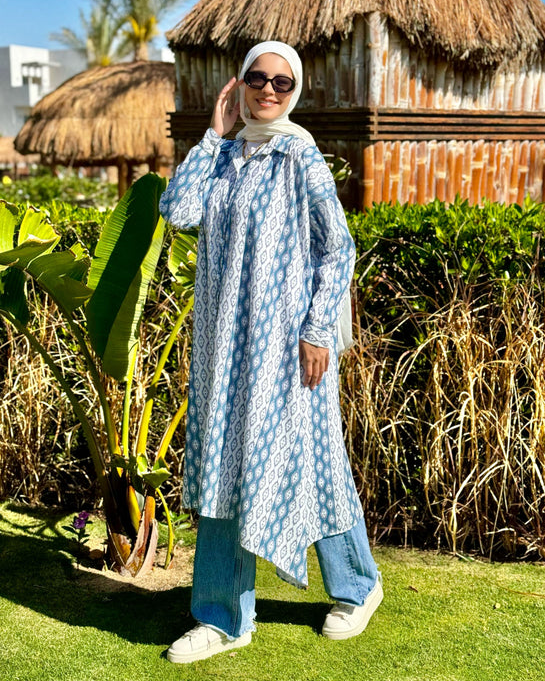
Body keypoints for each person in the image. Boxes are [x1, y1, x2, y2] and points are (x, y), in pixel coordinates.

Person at [159, 41, 382, 664]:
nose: (269, 90)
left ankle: (358, 587)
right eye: (258, 78)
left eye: (282, 83)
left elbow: (336, 248)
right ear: (242, 85)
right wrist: (211, 134)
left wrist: (316, 331)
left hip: (289, 347)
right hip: (224, 348)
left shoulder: (299, 153)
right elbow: (177, 212)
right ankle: (223, 617)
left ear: (297, 89)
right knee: (224, 468)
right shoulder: (224, 157)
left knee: (313, 460)